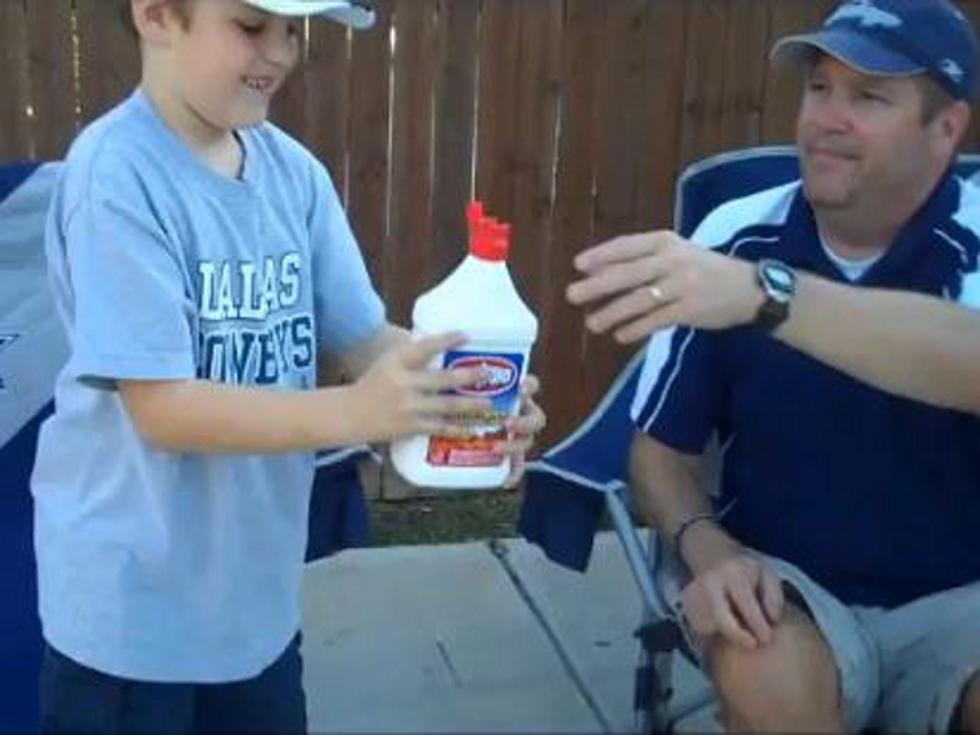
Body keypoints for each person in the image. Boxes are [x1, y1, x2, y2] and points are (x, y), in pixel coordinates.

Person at [31, 1, 545, 732]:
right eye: (250, 26)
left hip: (255, 610)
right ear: (155, 15)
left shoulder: (292, 174)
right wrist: (362, 412)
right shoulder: (114, 176)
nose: (278, 52)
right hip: (129, 625)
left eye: (294, 30)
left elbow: (366, 341)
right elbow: (163, 408)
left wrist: (472, 397)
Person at [570, 0, 980, 732]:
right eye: (819, 87)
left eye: (869, 96)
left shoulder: (972, 243)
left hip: (963, 597)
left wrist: (768, 296)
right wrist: (708, 547)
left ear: (945, 129)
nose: (827, 117)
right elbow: (659, 451)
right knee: (758, 657)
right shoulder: (734, 237)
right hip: (788, 587)